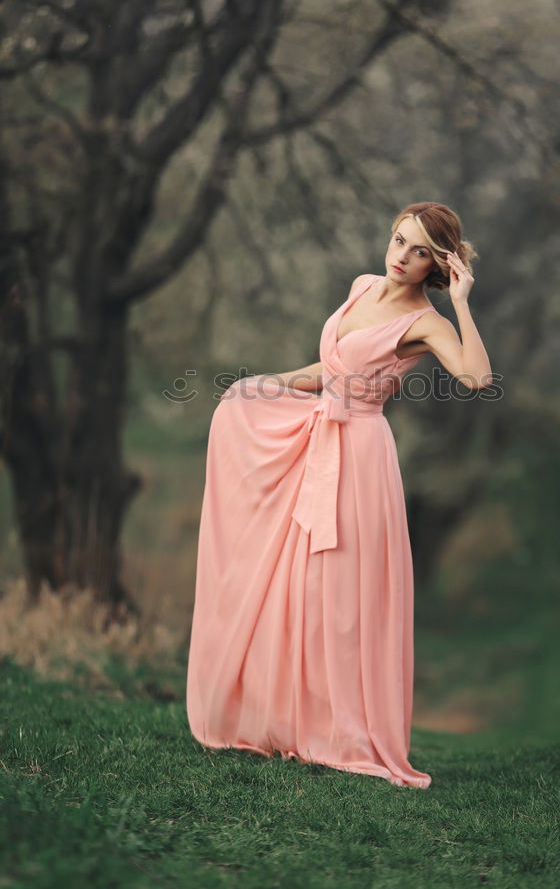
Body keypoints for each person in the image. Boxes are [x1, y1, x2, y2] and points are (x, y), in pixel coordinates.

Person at [186, 201, 491, 789]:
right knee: (295, 582)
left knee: (340, 590)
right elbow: (329, 371)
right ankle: (288, 720)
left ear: (439, 263)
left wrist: (461, 302)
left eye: (420, 250)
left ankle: (339, 730)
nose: (402, 256)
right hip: (315, 440)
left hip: (360, 458)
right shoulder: (362, 286)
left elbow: (477, 377)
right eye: (399, 240)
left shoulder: (427, 321)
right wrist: (264, 384)